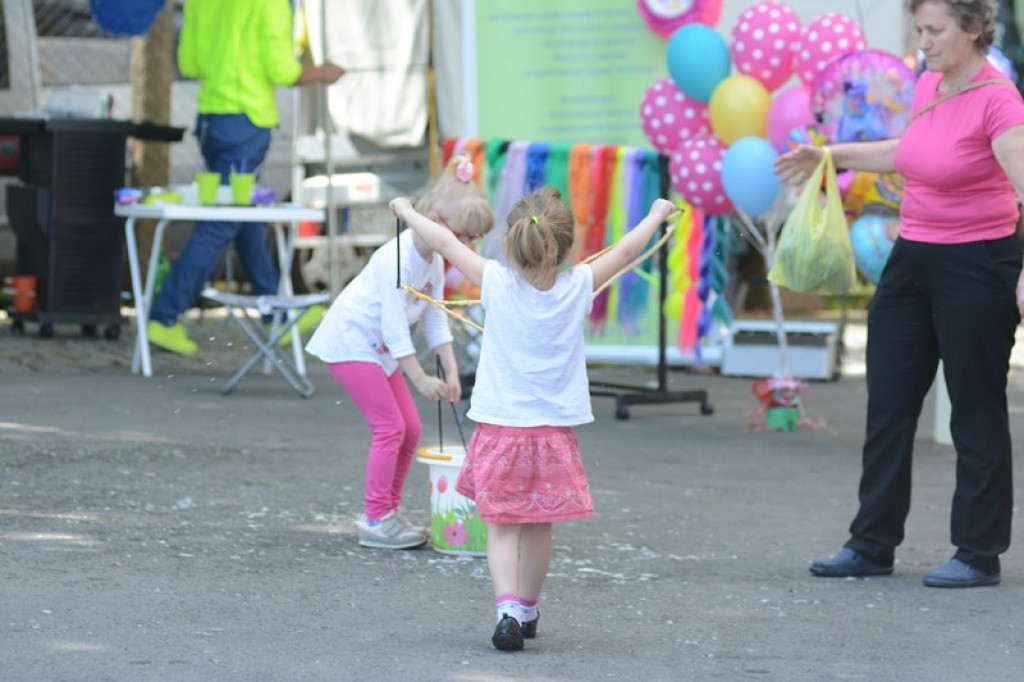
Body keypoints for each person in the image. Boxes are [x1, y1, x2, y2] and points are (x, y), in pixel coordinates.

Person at [775, 0, 1024, 588]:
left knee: (975, 407)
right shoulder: (928, 84)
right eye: (919, 29)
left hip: (978, 262)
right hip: (911, 259)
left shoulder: (999, 100)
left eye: (935, 30)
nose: (924, 40)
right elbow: (906, 154)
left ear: (973, 29)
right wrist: (828, 156)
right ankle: (871, 544)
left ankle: (978, 552)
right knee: (888, 406)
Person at [391, 186, 677, 650]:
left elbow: (444, 244)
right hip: (550, 437)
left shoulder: (496, 283)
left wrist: (406, 209)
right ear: (565, 249)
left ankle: (505, 608)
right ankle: (526, 609)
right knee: (538, 526)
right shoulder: (579, 285)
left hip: (500, 432)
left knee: (502, 527)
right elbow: (626, 251)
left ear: (513, 243)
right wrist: (657, 212)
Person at [306, 156, 494, 551]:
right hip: (352, 341)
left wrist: (451, 369)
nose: (467, 248)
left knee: (410, 428)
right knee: (390, 428)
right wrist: (421, 377)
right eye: (463, 238)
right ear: (439, 223)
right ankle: (375, 517)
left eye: (473, 241)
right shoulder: (399, 256)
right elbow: (394, 326)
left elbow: (434, 318)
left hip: (381, 350)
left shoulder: (436, 261)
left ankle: (387, 513)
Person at [147, 0, 344, 355]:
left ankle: (276, 314)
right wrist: (321, 73)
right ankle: (163, 317)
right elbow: (284, 71)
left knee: (244, 217)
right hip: (247, 121)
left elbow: (189, 62)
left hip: (211, 120)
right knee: (222, 222)